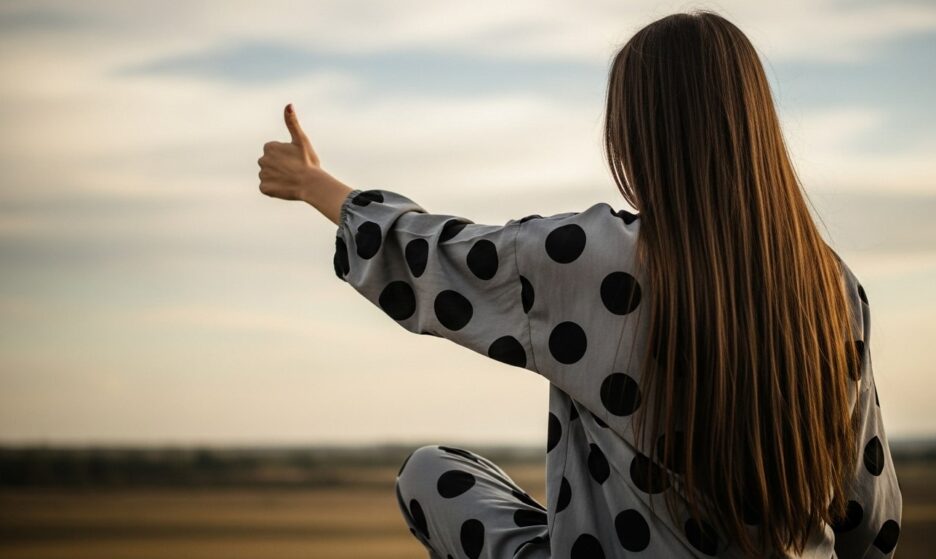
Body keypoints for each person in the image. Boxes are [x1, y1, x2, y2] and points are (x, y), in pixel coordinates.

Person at [257, 9, 902, 559]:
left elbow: (434, 258)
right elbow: (871, 520)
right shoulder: (830, 288)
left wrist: (317, 186)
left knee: (430, 474)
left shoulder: (591, 259)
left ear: (637, 134)